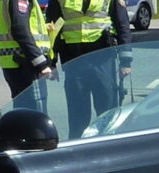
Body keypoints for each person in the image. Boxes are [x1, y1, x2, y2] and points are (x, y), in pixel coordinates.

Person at [46, 0, 132, 138]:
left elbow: (122, 25)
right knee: (77, 115)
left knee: (107, 111)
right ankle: (76, 151)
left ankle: (108, 147)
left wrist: (125, 61)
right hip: (74, 61)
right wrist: (51, 62)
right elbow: (52, 29)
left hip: (102, 58)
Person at [0, 0, 53, 110]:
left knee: (22, 112)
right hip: (27, 64)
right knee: (36, 115)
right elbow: (20, 29)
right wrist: (41, 64)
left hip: (12, 63)